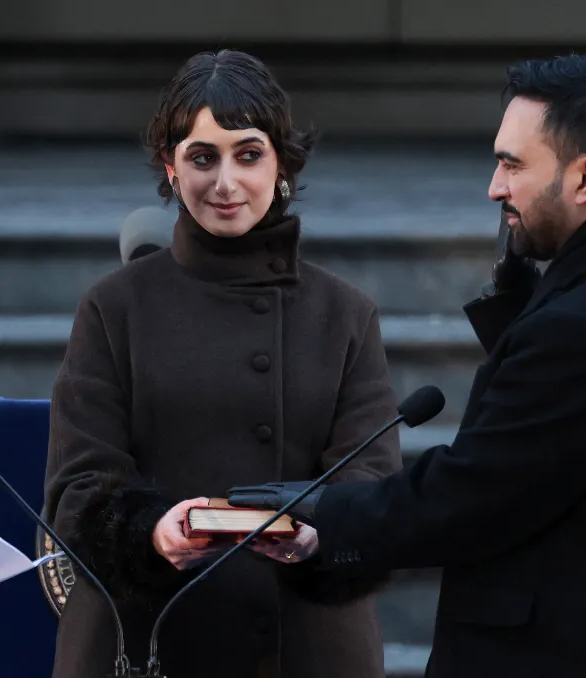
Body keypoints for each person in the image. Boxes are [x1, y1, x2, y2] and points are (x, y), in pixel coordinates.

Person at [228, 54, 586, 677]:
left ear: (584, 178)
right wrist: (522, 315)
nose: (495, 188)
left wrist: (322, 514)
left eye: (512, 164)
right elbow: (569, 445)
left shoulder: (581, 330)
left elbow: (476, 493)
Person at [42, 50, 403, 678]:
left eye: (249, 154)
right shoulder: (113, 307)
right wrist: (155, 534)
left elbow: (373, 483)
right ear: (170, 167)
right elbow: (77, 492)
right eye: (202, 157)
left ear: (282, 164)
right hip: (147, 640)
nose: (225, 183)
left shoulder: (345, 313)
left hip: (304, 648)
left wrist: (318, 533)